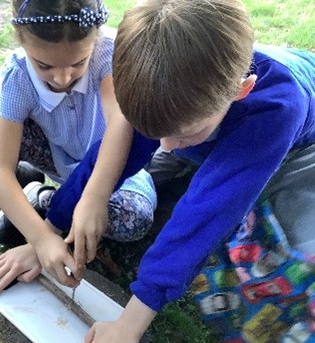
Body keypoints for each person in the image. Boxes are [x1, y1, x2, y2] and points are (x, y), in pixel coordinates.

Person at [81, 0, 315, 342]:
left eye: (179, 135)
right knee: (173, 148)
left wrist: (128, 324)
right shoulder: (179, 99)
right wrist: (63, 216)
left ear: (241, 90)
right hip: (208, 121)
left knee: (279, 233)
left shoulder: (277, 109)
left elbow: (205, 213)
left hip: (295, 147)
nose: (164, 146)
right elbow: (121, 146)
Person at [0, 0, 157, 305]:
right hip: (56, 159)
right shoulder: (18, 76)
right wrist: (41, 240)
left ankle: (39, 198)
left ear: (96, 39)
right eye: (44, 66)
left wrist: (94, 197)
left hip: (115, 172)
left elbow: (121, 127)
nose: (63, 79)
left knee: (136, 219)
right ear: (22, 41)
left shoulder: (111, 54)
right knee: (1, 136)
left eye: (78, 63)